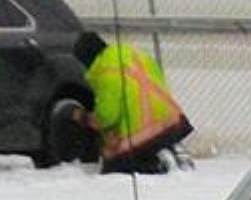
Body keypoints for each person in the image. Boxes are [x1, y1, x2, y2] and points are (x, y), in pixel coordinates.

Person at [73, 29, 192, 175]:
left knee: (114, 170)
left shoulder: (103, 71)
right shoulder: (131, 52)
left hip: (143, 134)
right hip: (172, 120)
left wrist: (85, 117)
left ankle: (157, 165)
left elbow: (107, 117)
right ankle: (168, 153)